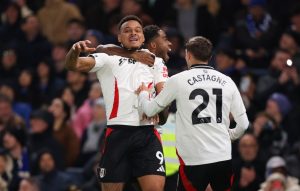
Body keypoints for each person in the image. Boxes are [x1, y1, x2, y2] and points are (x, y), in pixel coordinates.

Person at [65, 15, 167, 191]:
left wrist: (159, 108)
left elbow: (164, 95)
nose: (133, 33)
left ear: (143, 37)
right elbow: (74, 65)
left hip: (148, 133)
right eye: (127, 30)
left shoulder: (156, 62)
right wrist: (75, 51)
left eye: (137, 30)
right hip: (118, 133)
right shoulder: (107, 59)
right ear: (119, 37)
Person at [136, 36, 249, 190]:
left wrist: (143, 94)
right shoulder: (227, 81)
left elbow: (150, 110)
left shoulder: (178, 80)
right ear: (210, 57)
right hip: (222, 158)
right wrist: (228, 136)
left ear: (187, 54)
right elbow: (243, 125)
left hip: (194, 160)